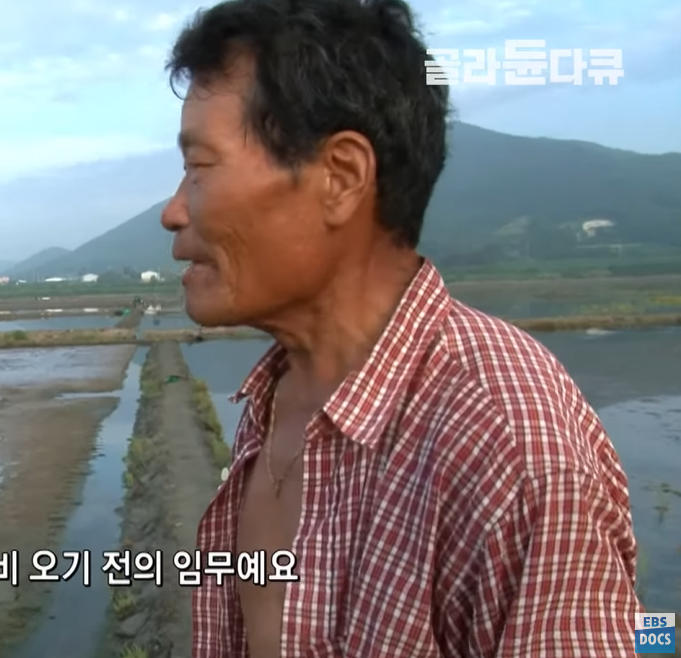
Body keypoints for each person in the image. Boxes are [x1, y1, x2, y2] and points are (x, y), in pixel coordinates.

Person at [158, 0, 643, 656]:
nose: (172, 211)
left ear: (340, 178)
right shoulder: (279, 397)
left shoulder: (505, 440)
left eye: (199, 168)